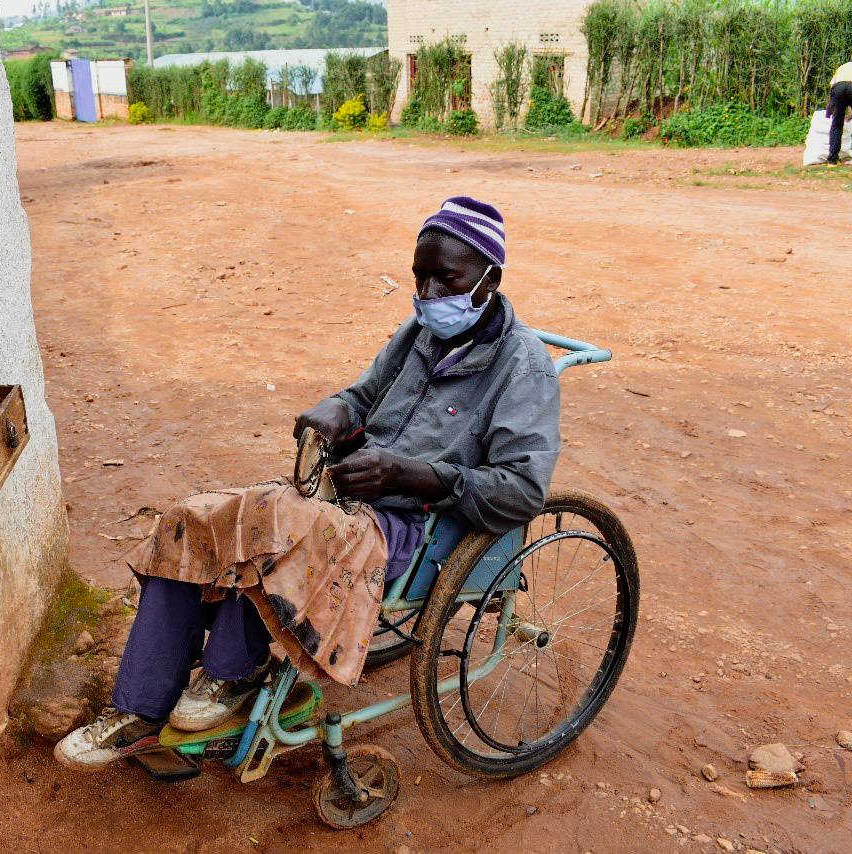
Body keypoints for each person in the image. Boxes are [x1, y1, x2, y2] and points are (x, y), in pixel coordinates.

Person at [54, 196, 563, 769]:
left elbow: (522, 490)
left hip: (418, 524)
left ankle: (231, 676)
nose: (431, 296)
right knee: (196, 520)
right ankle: (140, 706)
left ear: (490, 278)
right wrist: (335, 411)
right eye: (421, 278)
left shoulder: (525, 369)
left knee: (281, 535)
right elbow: (363, 395)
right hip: (347, 494)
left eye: (449, 280)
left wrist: (406, 473)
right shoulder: (419, 331)